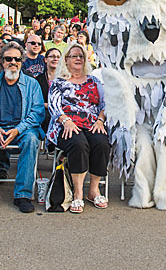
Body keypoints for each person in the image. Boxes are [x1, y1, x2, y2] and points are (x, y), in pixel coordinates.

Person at [0, 43, 45, 213]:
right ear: (1, 62)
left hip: (23, 129)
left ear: (22, 62)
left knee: (31, 140)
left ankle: (23, 195)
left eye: (17, 59)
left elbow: (37, 113)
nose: (13, 62)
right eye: (8, 59)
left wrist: (18, 129)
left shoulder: (32, 84)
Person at [46, 44, 109, 213]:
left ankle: (93, 190)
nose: (78, 59)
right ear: (66, 60)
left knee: (102, 143)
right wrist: (66, 120)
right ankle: (78, 192)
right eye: (74, 56)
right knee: (78, 144)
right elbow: (53, 106)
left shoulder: (94, 81)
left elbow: (105, 104)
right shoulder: (59, 82)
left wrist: (100, 120)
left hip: (92, 123)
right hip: (66, 124)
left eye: (81, 56)